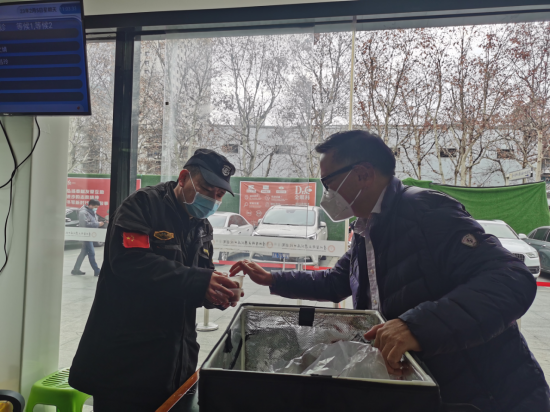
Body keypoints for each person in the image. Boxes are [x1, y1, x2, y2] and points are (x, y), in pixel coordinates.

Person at [231, 130, 550, 412]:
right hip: (426, 388)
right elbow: (336, 281)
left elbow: (511, 279)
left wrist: (417, 327)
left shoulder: (426, 211)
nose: (326, 193)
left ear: (363, 174)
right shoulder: (366, 228)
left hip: (486, 393)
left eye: (328, 182)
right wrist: (273, 278)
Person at [69, 149, 241, 412]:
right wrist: (200, 281)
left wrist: (216, 292)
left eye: (219, 195)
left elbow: (199, 276)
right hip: (126, 363)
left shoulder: (202, 226)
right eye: (207, 189)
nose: (212, 199)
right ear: (183, 178)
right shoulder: (142, 206)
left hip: (176, 362)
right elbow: (130, 262)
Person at [72, 199, 104, 277]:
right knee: (91, 252)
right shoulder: (83, 212)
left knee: (83, 253)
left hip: (90, 234)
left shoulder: (91, 212)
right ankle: (97, 270)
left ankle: (76, 269)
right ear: (90, 205)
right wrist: (97, 224)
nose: (96, 208)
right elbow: (84, 224)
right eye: (95, 207)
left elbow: (92, 221)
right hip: (85, 235)